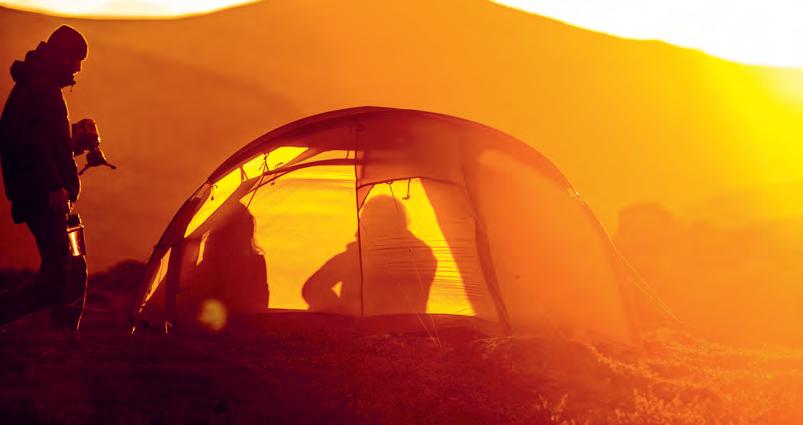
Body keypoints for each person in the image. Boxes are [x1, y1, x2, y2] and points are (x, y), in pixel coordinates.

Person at [0, 25, 90, 329]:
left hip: (35, 191)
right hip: (44, 195)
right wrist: (55, 185)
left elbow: (38, 139)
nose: (78, 67)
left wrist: (71, 143)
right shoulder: (42, 89)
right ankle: (59, 332)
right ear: (63, 57)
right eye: (76, 59)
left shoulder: (32, 85)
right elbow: (34, 143)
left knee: (64, 268)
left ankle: (62, 333)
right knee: (60, 274)